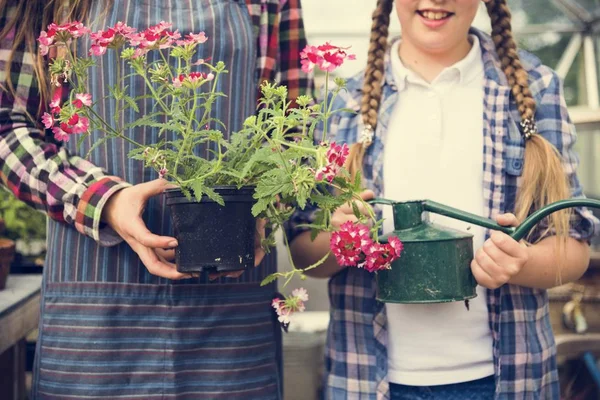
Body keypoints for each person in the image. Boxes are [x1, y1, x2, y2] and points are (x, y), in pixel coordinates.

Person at [286, 0, 599, 398]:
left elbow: (573, 249)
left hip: (506, 380)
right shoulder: (342, 103)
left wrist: (522, 263)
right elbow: (302, 252)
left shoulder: (535, 89)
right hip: (368, 380)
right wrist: (339, 236)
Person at [0, 0, 313, 398]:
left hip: (230, 318)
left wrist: (266, 206)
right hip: (95, 314)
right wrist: (103, 200)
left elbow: (294, 129)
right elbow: (8, 122)